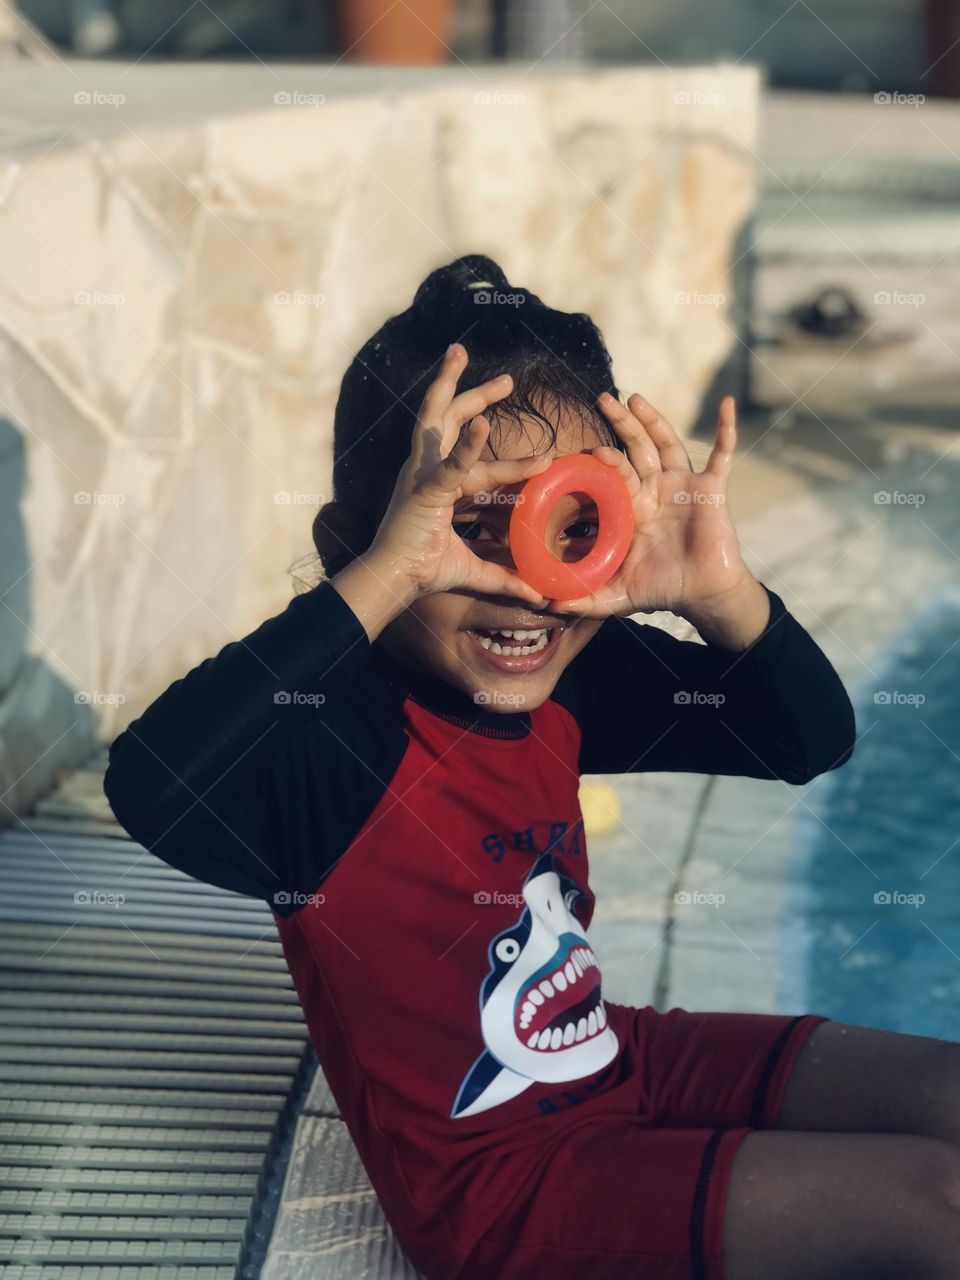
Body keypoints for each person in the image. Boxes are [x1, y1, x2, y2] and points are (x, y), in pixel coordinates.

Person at [103, 255, 960, 1279]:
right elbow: (152, 781)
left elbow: (807, 739)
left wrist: (719, 593)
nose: (523, 586)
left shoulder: (568, 682)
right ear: (364, 547)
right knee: (936, 1206)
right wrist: (382, 577)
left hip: (611, 1055)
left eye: (568, 525)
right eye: (465, 528)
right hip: (504, 1190)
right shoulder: (334, 745)